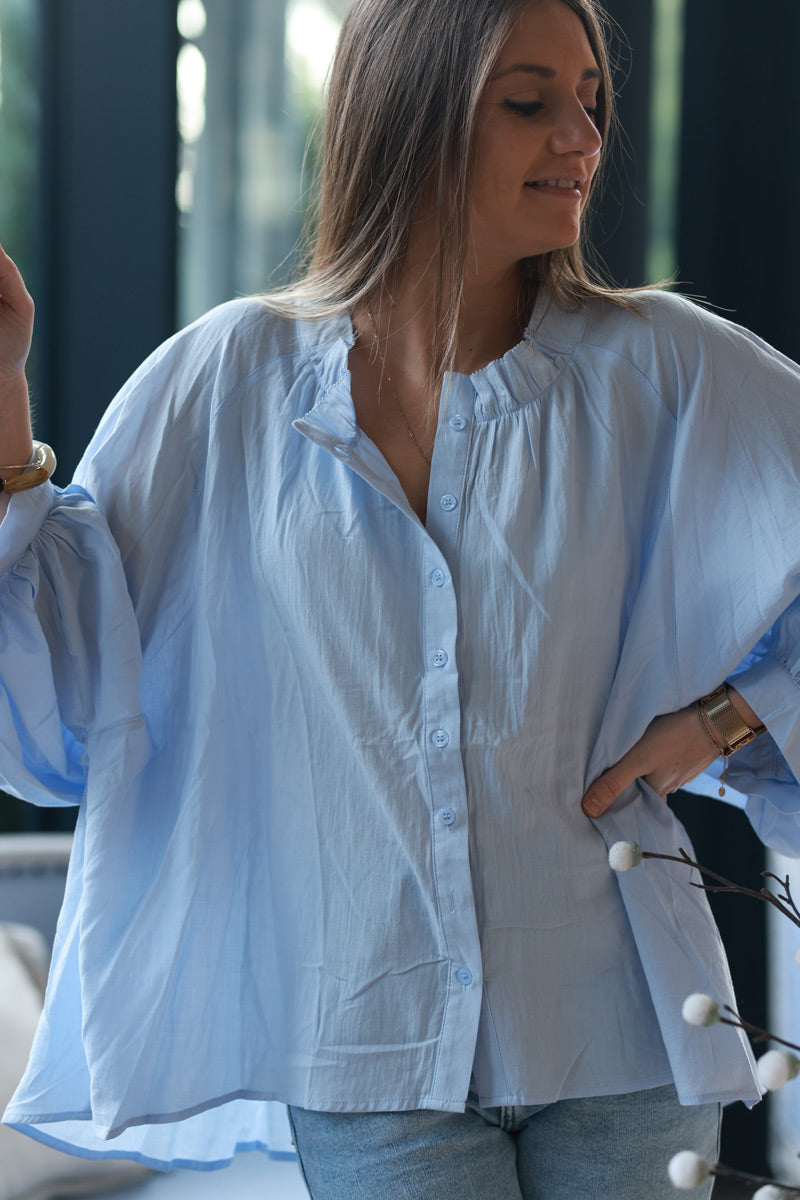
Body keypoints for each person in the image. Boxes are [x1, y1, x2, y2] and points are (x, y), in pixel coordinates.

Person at [0, 0, 799, 1196]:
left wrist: (725, 721)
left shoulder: (667, 371)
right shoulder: (219, 384)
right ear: (408, 115)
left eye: (588, 99)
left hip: (624, 1032)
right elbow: (66, 698)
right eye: (528, 102)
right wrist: (5, 396)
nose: (579, 137)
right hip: (363, 1050)